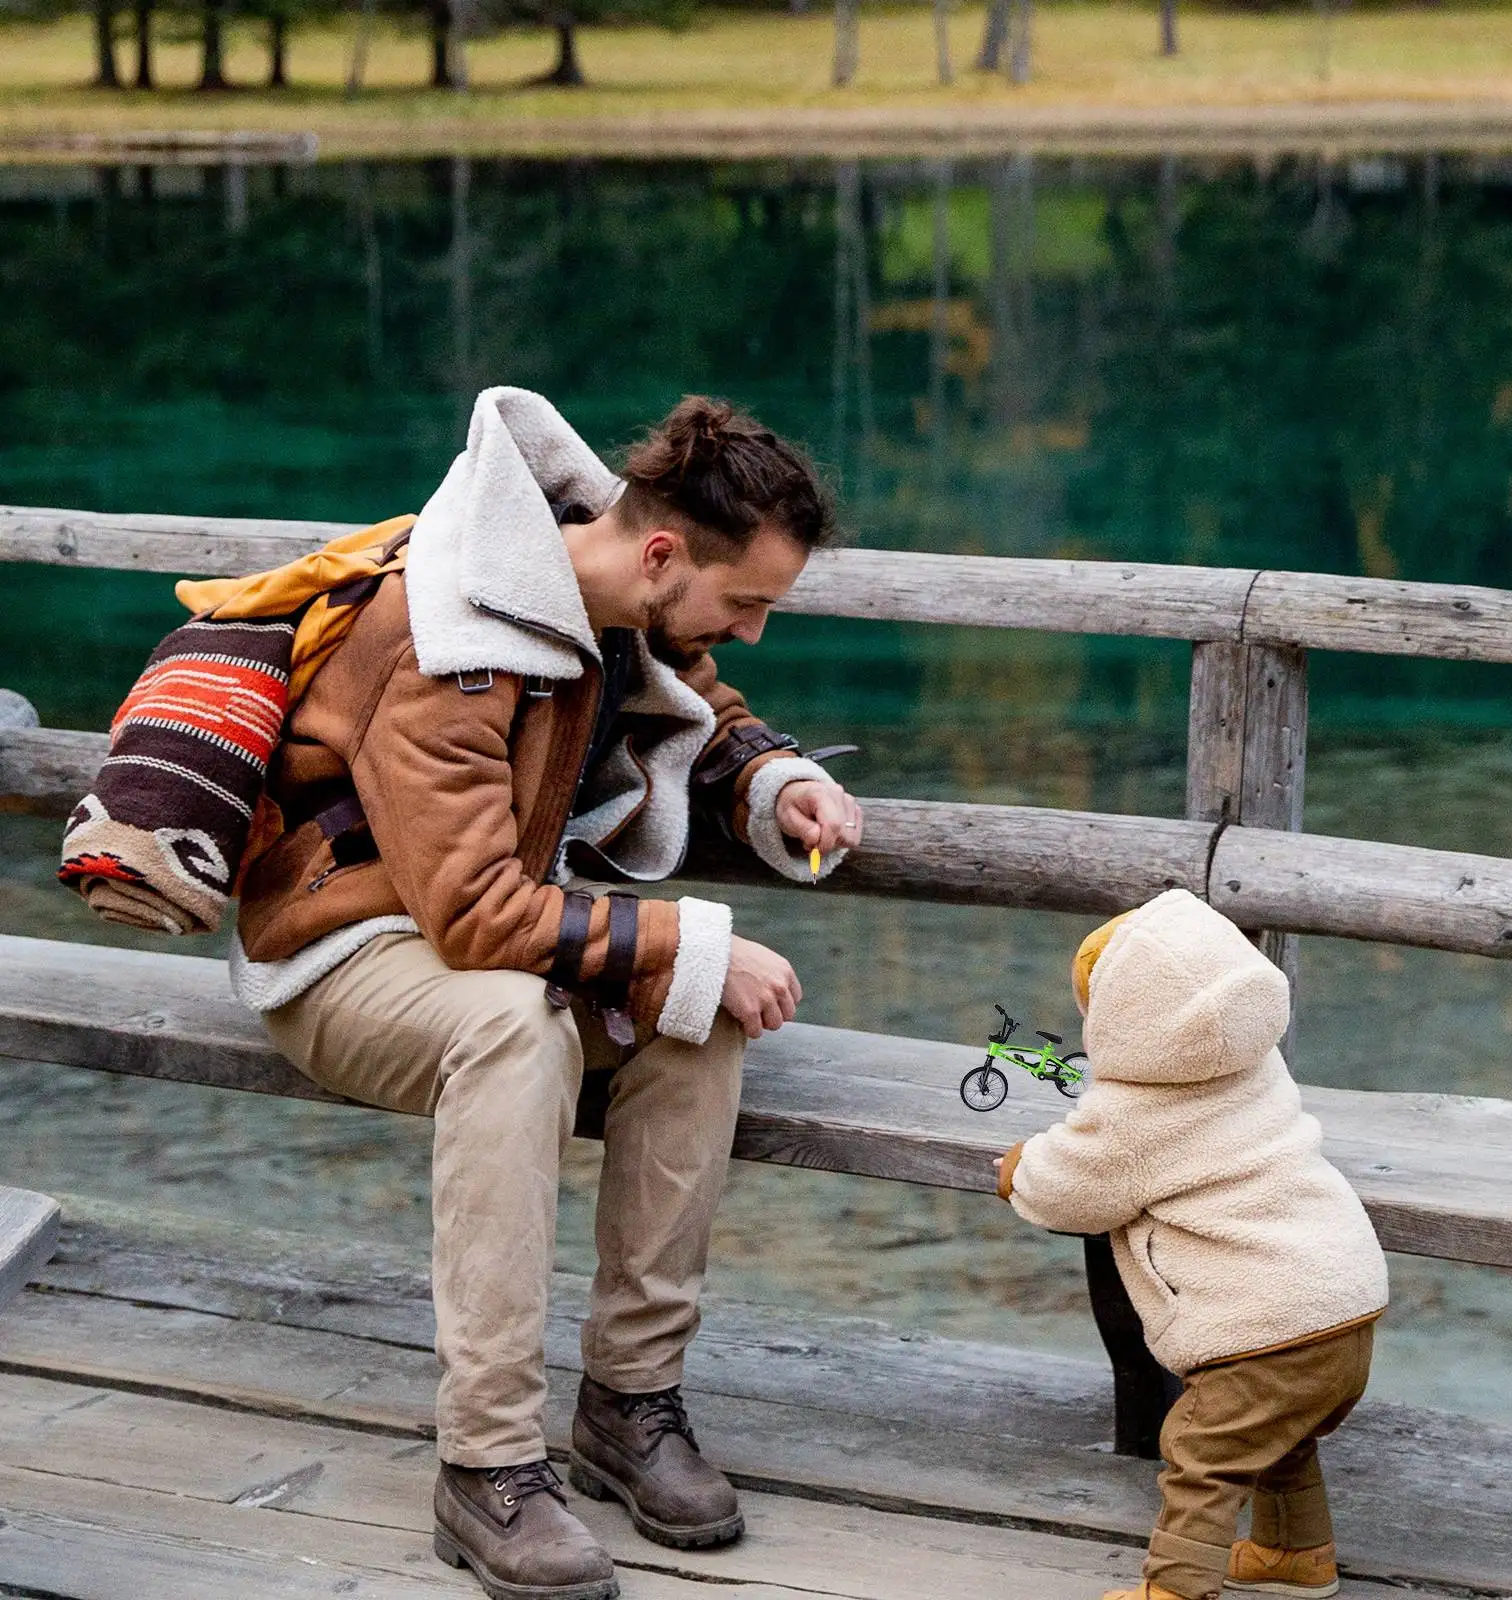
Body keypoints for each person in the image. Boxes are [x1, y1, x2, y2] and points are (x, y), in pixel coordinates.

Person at [230, 387, 864, 1600]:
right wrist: (680, 932)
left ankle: (629, 1400)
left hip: (476, 929)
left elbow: (691, 690)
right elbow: (473, 919)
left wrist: (769, 776)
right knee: (515, 1028)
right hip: (340, 943)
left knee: (700, 1011)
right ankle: (487, 1464)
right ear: (665, 553)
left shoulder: (609, 580)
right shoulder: (447, 635)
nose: (753, 632)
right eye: (748, 604)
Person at [995, 889, 1389, 1600]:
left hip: (1270, 1323)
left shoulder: (1137, 1110)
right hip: (1346, 1304)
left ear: (1125, 1016)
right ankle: (1295, 1555)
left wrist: (1019, 1169)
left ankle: (1177, 1588)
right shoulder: (1255, 1067)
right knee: (1278, 1435)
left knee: (1202, 1450)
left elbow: (1070, 1188)